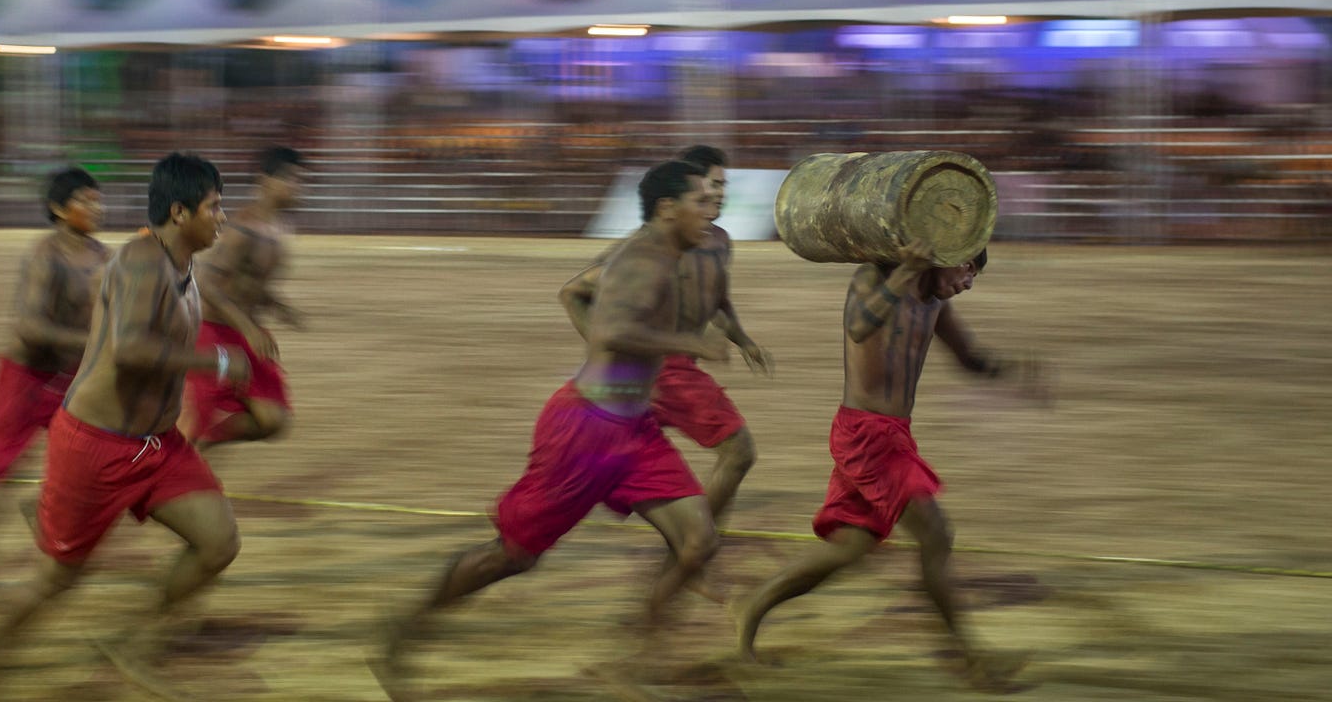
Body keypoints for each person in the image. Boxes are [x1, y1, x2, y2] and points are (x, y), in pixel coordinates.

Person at [376, 160, 730, 697]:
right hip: (584, 433)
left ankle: (632, 663)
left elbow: (575, 293)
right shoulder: (644, 261)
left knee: (697, 540)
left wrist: (626, 379)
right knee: (513, 555)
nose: (712, 210)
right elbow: (613, 330)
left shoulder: (655, 253)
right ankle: (406, 629)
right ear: (666, 208)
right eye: (701, 201)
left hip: (632, 432)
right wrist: (688, 344)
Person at [0, 153, 249, 700]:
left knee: (218, 543)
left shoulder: (184, 265)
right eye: (215, 207)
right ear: (179, 210)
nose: (223, 217)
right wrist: (216, 363)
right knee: (57, 580)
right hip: (96, 448)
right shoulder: (141, 262)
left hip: (157, 446)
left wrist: (239, 330)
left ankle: (136, 646)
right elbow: (130, 350)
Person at [734, 240, 1049, 688]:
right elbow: (860, 326)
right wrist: (907, 270)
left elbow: (970, 358)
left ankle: (752, 606)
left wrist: (1014, 371)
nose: (968, 282)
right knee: (937, 535)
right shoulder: (875, 278)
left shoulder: (935, 303)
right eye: (967, 269)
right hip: (867, 435)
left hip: (888, 436)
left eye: (974, 275)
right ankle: (969, 660)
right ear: (944, 257)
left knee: (849, 548)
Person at [559, 145, 770, 522]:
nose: (721, 193)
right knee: (738, 452)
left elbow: (717, 301)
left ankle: (678, 530)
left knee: (628, 454)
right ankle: (699, 545)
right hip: (668, 370)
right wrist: (604, 350)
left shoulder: (720, 242)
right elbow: (574, 291)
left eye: (724, 184)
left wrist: (743, 339)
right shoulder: (647, 245)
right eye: (712, 185)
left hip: (668, 370)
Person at [0, 167, 109, 577]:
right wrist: (91, 344)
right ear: (57, 208)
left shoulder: (104, 257)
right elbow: (30, 327)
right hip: (24, 377)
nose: (96, 207)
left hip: (69, 379)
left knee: (86, 462)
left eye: (97, 199)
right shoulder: (45, 256)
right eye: (85, 200)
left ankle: (47, 527)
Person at [185, 145, 307, 447]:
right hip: (213, 334)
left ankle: (205, 442)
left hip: (243, 333)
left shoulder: (278, 228)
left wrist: (277, 305)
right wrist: (249, 327)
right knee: (192, 420)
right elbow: (206, 283)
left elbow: (249, 282)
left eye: (301, 180)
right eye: (292, 179)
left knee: (274, 419)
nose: (299, 187)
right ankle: (176, 468)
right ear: (266, 181)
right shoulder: (242, 229)